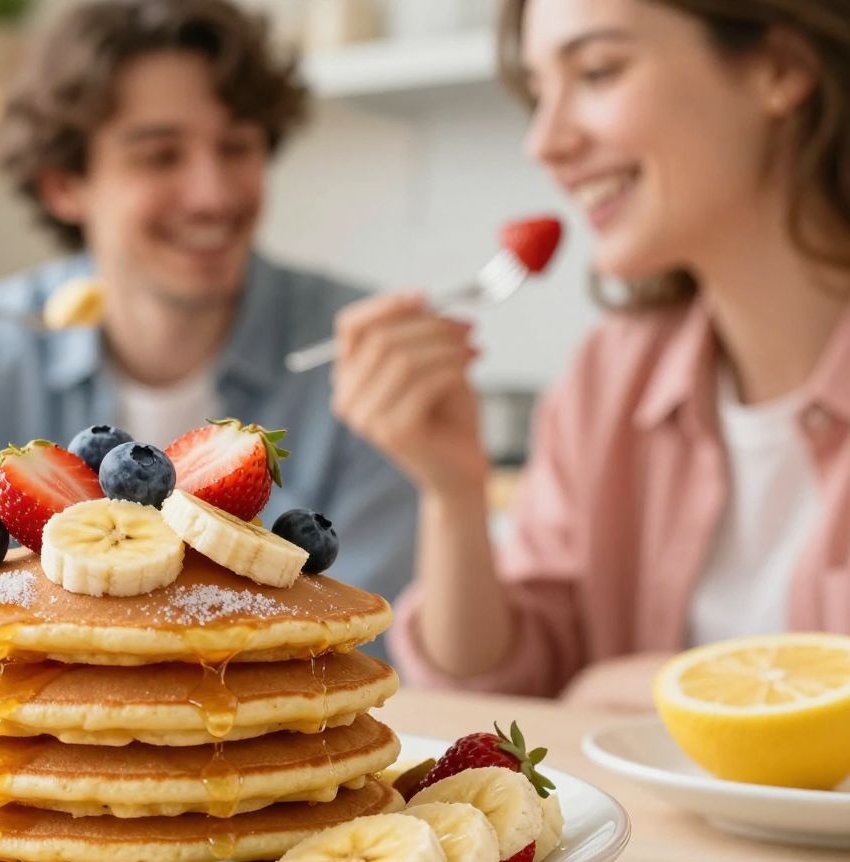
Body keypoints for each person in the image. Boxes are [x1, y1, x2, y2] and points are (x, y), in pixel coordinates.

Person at [0, 0, 417, 617]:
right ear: (65, 184)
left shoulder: (357, 352)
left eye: (237, 147)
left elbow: (367, 625)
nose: (212, 193)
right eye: (160, 155)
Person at [336, 0, 850, 705]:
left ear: (781, 68)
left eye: (599, 71)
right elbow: (505, 692)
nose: (543, 143)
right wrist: (452, 493)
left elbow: (587, 702)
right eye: (540, 92)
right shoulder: (611, 378)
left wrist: (629, 688)